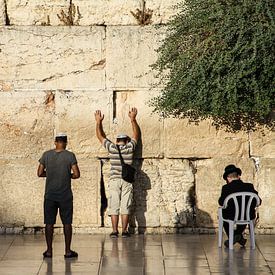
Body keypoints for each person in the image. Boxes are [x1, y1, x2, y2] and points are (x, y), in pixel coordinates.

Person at [95, 108, 140, 238]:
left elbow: (100, 136)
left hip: (114, 180)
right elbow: (136, 135)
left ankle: (114, 231)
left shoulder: (112, 148)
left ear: (117, 141)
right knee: (125, 206)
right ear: (126, 140)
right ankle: (125, 231)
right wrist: (133, 119)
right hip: (127, 180)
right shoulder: (130, 148)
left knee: (114, 205)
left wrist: (98, 122)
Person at [37, 133, 80, 258]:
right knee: (67, 222)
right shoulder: (70, 156)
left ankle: (49, 251)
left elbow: (39, 173)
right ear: (66, 143)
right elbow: (77, 174)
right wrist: (67, 176)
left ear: (55, 142)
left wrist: (50, 174)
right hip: (65, 195)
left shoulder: (46, 155)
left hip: (50, 195)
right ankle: (67, 251)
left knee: (49, 223)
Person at [218, 165, 261, 248]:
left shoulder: (226, 188)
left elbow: (221, 202)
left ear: (228, 178)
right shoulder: (249, 186)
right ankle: (238, 236)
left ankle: (234, 237)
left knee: (223, 212)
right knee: (245, 212)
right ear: (238, 176)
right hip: (248, 216)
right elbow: (258, 201)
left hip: (231, 216)